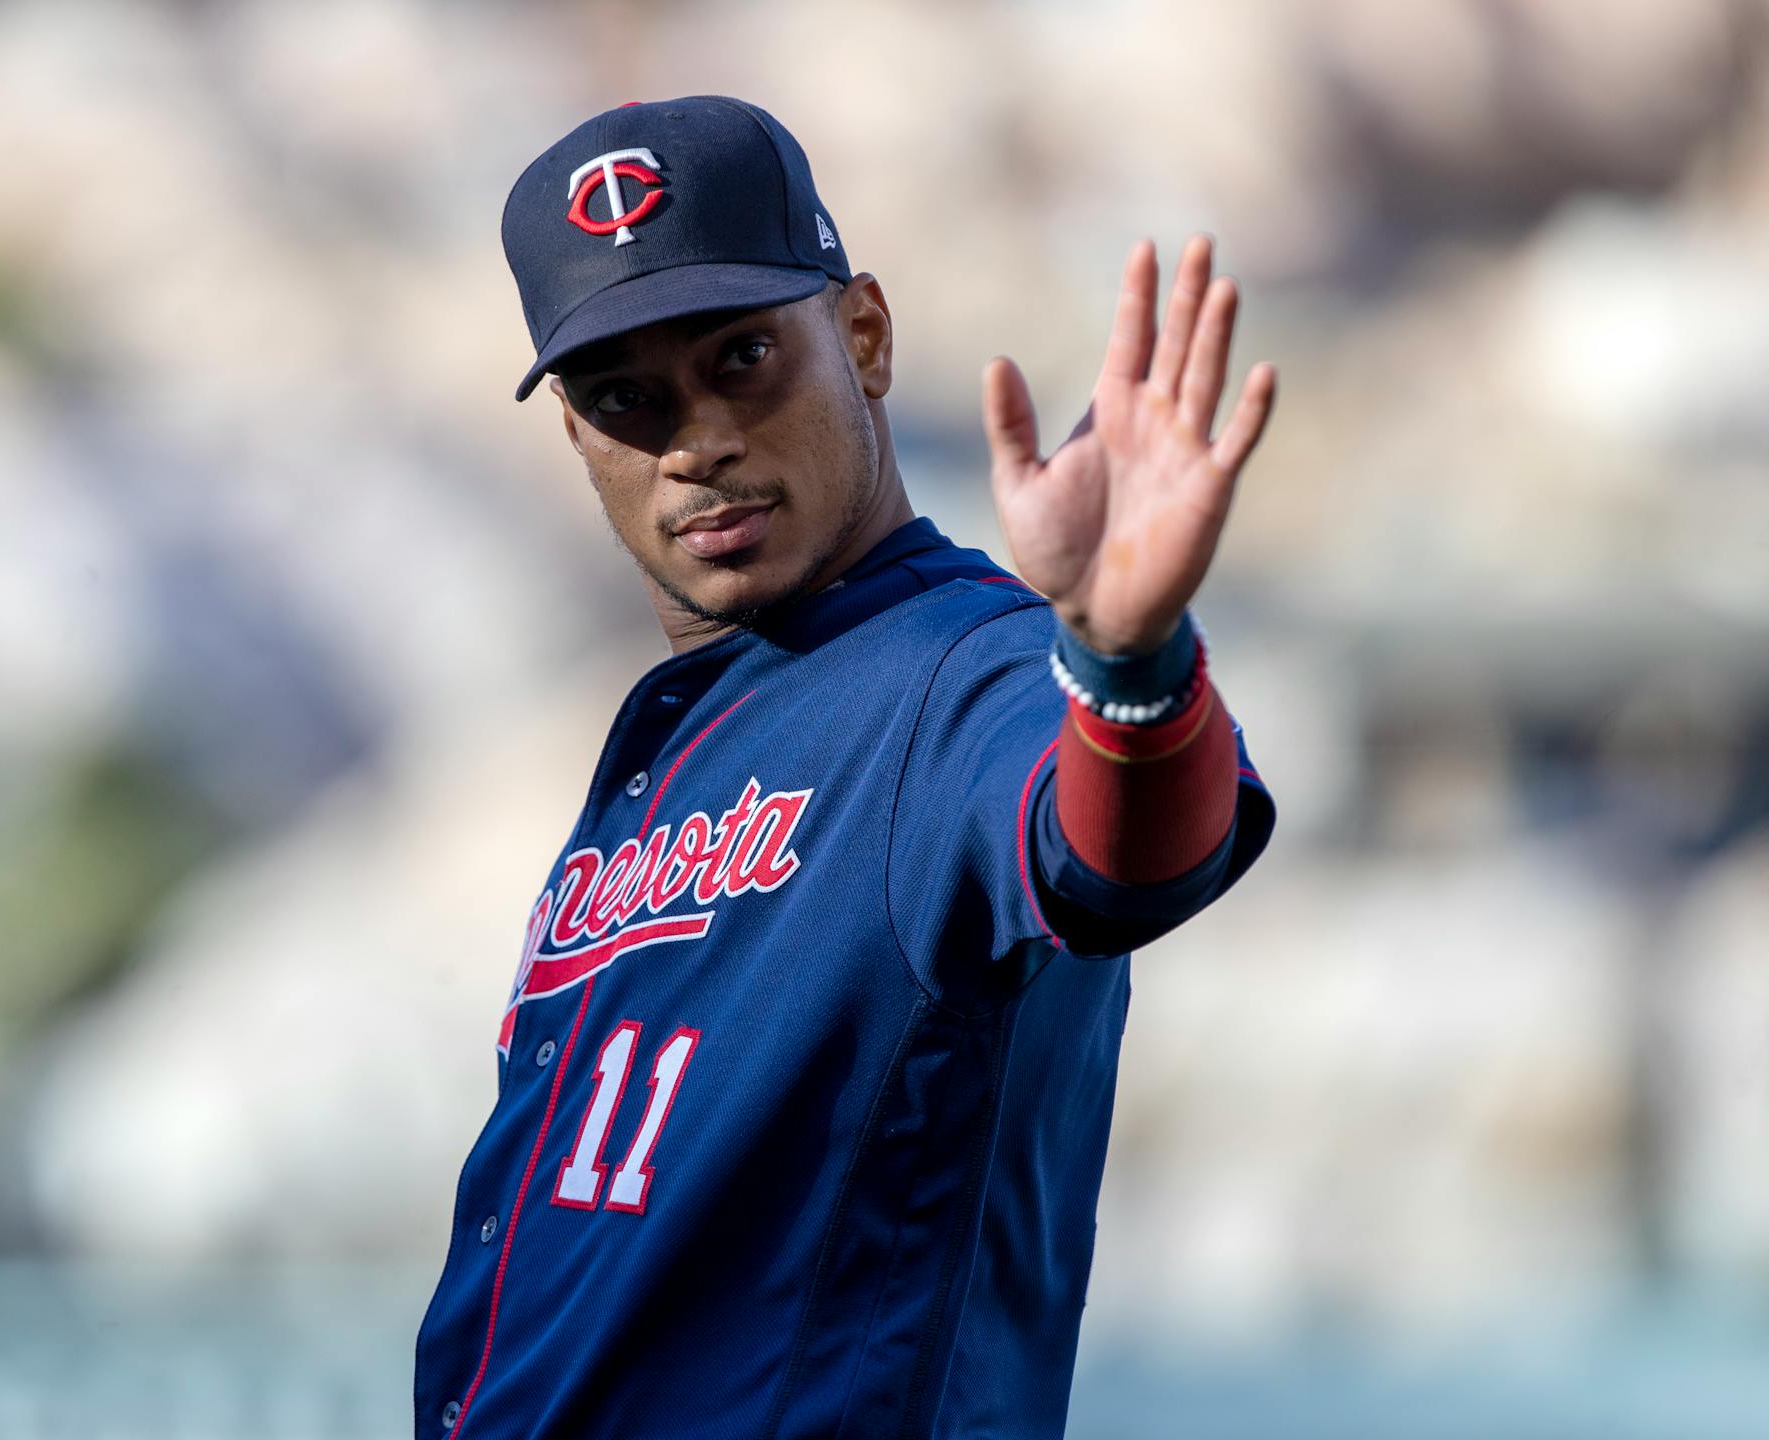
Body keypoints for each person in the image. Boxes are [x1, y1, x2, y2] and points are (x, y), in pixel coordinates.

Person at [414, 95, 1278, 1439]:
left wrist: (1129, 663)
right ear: (576, 436)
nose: (698, 441)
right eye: (627, 399)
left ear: (862, 335)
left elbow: (1124, 858)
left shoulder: (960, 669)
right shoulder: (679, 740)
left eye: (743, 356)